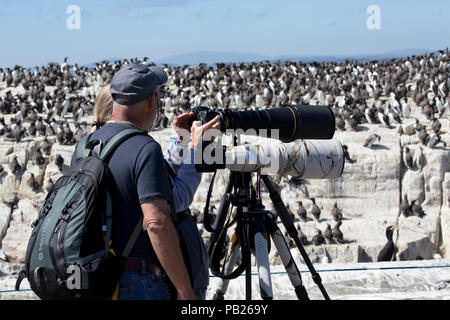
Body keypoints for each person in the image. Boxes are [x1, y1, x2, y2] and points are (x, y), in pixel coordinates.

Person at [71, 63, 219, 300]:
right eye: (158, 96)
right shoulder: (143, 147)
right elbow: (160, 219)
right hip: (135, 282)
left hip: (96, 277)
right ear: (151, 101)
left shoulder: (86, 145)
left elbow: (153, 180)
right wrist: (184, 289)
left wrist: (182, 139)